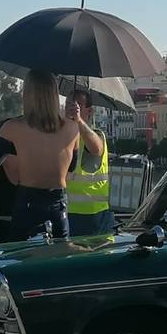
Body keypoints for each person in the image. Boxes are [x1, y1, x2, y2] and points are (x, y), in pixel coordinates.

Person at [0, 71, 80, 241]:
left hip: (27, 203)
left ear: (27, 94)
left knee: (22, 261)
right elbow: (70, 172)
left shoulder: (12, 127)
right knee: (58, 258)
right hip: (59, 204)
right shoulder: (72, 128)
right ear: (55, 95)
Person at [65, 88, 114, 237]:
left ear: (89, 111)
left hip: (94, 215)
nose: (71, 109)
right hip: (68, 213)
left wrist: (78, 120)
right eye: (68, 105)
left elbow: (96, 149)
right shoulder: (63, 137)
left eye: (78, 105)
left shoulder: (96, 135)